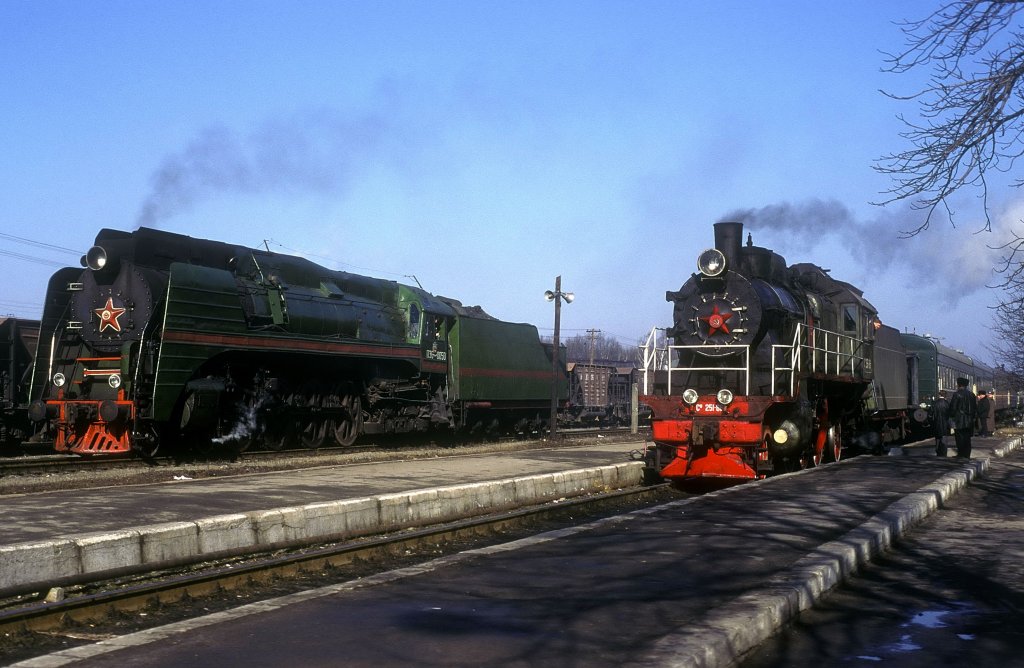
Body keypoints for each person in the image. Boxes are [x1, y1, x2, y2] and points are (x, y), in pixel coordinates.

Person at [947, 377, 978, 459]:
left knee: (959, 437)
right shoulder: (972, 395)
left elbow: (953, 408)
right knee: (967, 438)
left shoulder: (957, 394)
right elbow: (975, 408)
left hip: (959, 420)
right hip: (969, 420)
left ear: (959, 384)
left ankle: (961, 454)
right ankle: (967, 454)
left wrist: (951, 416)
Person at [930, 390, 951, 456]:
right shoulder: (947, 404)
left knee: (937, 438)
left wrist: (931, 422)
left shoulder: (934, 403)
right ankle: (944, 453)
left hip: (936, 423)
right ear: (945, 396)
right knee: (944, 439)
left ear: (939, 395)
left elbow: (930, 414)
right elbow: (950, 414)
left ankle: (938, 451)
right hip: (945, 424)